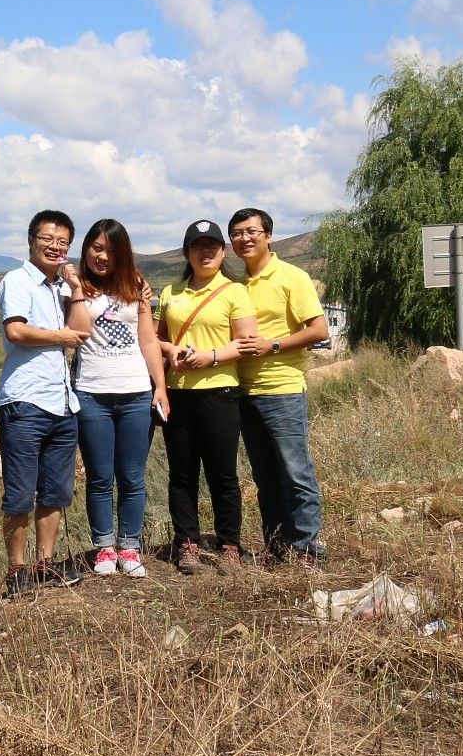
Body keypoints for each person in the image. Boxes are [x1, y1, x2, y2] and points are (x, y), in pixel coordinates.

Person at [66, 218, 169, 578]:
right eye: (96, 248)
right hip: (91, 393)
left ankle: (129, 546)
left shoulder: (136, 286)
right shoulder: (76, 288)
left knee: (131, 476)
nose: (102, 256)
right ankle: (104, 548)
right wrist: (78, 289)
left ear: (122, 253)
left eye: (110, 250)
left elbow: (148, 340)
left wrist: (160, 386)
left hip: (135, 394)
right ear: (86, 250)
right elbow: (78, 331)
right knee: (98, 477)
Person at [228, 207, 330, 563]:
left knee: (295, 471)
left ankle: (308, 549)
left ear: (268, 235)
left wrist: (271, 344)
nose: (245, 238)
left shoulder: (292, 277)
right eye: (238, 233)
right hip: (243, 391)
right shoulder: (236, 285)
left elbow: (319, 330)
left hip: (283, 389)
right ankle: (277, 547)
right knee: (265, 476)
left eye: (252, 231)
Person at [156, 219, 257, 574]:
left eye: (212, 245)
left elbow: (246, 343)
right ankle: (187, 544)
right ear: (187, 253)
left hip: (220, 391)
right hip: (178, 394)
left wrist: (210, 357)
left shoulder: (235, 292)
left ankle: (230, 545)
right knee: (182, 474)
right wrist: (170, 351)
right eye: (198, 246)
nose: (206, 251)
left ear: (222, 251)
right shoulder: (170, 293)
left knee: (222, 474)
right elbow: (155, 339)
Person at [0, 209, 86, 595]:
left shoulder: (59, 288)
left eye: (63, 242)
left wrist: (76, 285)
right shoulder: (17, 281)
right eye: (47, 239)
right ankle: (17, 571)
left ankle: (45, 565)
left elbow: (83, 328)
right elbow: (16, 330)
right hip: (25, 402)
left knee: (56, 492)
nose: (55, 246)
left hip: (63, 404)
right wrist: (61, 336)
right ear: (31, 240)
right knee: (19, 493)